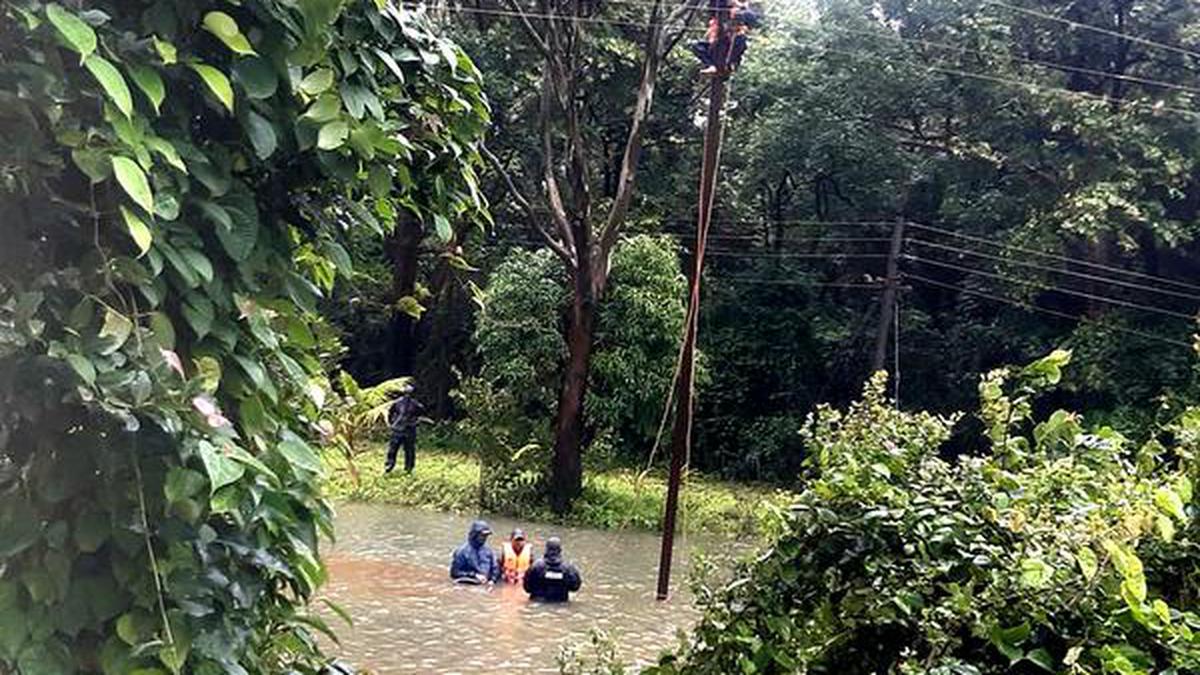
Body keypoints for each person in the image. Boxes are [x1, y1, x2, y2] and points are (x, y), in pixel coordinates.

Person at [690, 0, 759, 75]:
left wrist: (741, 8)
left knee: (740, 40)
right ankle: (711, 65)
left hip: (731, 45)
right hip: (719, 44)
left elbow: (752, 20)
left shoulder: (744, 12)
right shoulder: (722, 13)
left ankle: (731, 64)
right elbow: (716, 6)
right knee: (697, 46)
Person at [523, 537, 581, 602]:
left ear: (546, 549)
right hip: (560, 604)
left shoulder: (536, 566)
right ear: (560, 550)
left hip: (538, 602)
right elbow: (575, 587)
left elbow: (527, 588)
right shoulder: (568, 568)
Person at [385, 384, 424, 473]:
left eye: (409, 394)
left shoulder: (416, 405)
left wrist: (415, 422)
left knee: (409, 450)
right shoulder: (397, 403)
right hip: (397, 429)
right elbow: (390, 413)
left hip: (409, 429)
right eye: (406, 393)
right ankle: (389, 465)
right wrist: (392, 423)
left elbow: (421, 413)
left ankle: (409, 467)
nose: (407, 395)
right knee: (393, 449)